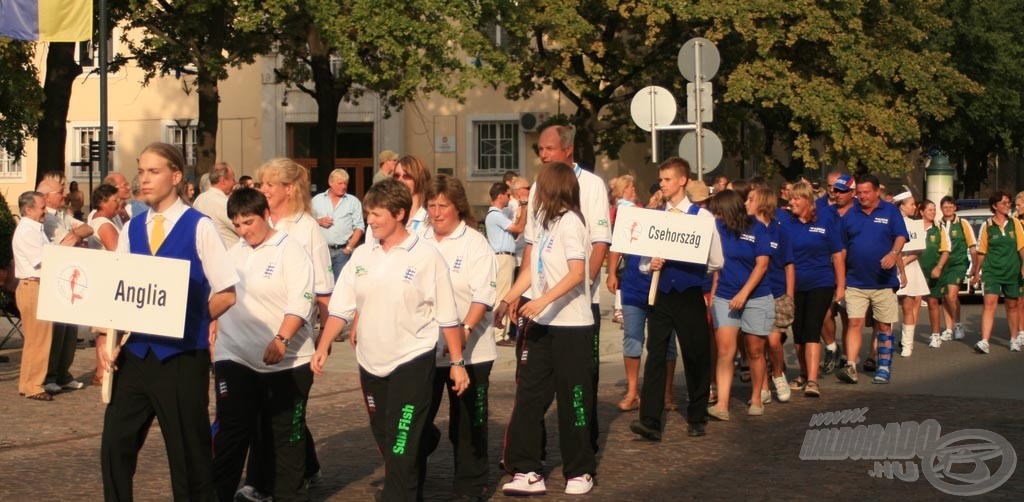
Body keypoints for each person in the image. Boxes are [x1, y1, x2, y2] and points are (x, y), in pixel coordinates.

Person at [311, 179, 469, 501]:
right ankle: (423, 436)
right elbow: (342, 306)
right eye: (368, 214)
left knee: (399, 445)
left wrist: (456, 363)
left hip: (412, 359)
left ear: (399, 213)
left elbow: (448, 316)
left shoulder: (426, 256)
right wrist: (324, 344)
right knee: (386, 435)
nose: (370, 220)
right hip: (371, 361)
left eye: (377, 214)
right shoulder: (362, 256)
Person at [100, 142, 239, 500]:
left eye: (153, 171)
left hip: (180, 357)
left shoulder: (200, 226)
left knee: (188, 455)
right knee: (115, 445)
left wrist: (190, 317)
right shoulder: (132, 229)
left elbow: (226, 292)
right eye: (141, 171)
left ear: (175, 177)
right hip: (136, 355)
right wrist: (106, 340)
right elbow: (118, 291)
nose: (143, 179)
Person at [494, 162, 596, 496]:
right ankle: (527, 469)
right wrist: (509, 298)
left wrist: (542, 301)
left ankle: (579, 470)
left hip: (572, 327)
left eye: (539, 186)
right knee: (529, 396)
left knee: (573, 399)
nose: (533, 193)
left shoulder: (571, 223)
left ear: (552, 189)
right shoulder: (544, 223)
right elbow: (532, 270)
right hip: (542, 325)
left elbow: (575, 273)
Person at [211, 188, 317, 502]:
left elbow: (302, 300)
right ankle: (218, 494)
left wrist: (282, 338)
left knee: (284, 434)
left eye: (249, 222)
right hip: (235, 355)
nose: (244, 231)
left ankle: (289, 494)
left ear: (265, 215)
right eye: (238, 225)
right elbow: (220, 293)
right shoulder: (235, 254)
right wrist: (211, 323)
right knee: (232, 429)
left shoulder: (291, 250)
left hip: (288, 360)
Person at [241, 158, 335, 500]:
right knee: (264, 413)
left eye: (269, 184)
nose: (262, 190)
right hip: (251, 336)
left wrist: (325, 338)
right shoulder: (258, 220)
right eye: (261, 184)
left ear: (289, 189)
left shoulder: (305, 228)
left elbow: (323, 287)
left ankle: (269, 484)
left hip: (292, 340)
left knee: (282, 416)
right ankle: (303, 468)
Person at [527, 124, 610, 452]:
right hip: (541, 302)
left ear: (568, 150)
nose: (544, 155)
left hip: (579, 302)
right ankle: (531, 448)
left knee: (582, 379)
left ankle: (583, 445)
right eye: (540, 150)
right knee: (535, 383)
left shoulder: (591, 185)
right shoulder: (538, 185)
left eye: (549, 149)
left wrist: (585, 286)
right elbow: (532, 244)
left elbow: (600, 240)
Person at [629, 157, 721, 439]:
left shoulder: (703, 218)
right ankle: (651, 421)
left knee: (695, 354)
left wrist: (691, 262)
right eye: (661, 180)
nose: (662, 184)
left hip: (689, 293)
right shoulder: (656, 216)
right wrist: (650, 264)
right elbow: (643, 259)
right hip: (661, 296)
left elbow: (716, 260)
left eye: (667, 179)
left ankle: (696, 415)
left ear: (683, 180)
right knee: (656, 354)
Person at [421, 175, 498, 499]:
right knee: (417, 420)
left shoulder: (474, 243)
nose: (436, 213)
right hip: (425, 349)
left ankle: (470, 483)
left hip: (470, 352)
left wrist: (464, 329)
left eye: (443, 206)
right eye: (431, 206)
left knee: (467, 423)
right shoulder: (420, 239)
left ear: (458, 207)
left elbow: (483, 295)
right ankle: (410, 481)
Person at [707, 189, 775, 419]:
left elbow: (762, 265)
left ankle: (757, 397)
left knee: (755, 350)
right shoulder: (718, 229)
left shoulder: (757, 228)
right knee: (725, 351)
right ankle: (722, 404)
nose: (717, 217)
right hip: (725, 296)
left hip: (756, 297)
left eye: (720, 212)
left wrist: (744, 294)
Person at [838, 174, 908, 384]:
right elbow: (841, 249)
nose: (862, 196)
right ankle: (851, 365)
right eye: (858, 193)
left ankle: (884, 366)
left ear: (877, 191)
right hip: (856, 281)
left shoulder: (890, 211)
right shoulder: (850, 215)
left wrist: (893, 253)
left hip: (883, 281)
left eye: (866, 192)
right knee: (854, 323)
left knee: (884, 326)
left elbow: (901, 236)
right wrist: (840, 282)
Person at [783, 182, 844, 398]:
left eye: (796, 199)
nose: (792, 203)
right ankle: (801, 372)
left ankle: (812, 379)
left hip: (821, 282)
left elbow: (837, 255)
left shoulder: (825, 221)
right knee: (798, 333)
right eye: (790, 199)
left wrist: (841, 286)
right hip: (794, 285)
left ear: (808, 200)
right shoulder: (786, 223)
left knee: (811, 328)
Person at [38, 175, 93, 394]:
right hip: (57, 276)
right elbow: (64, 243)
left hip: (71, 272)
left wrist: (74, 235)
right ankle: (51, 374)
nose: (65, 195)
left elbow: (87, 229)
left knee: (70, 330)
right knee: (57, 331)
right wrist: (74, 237)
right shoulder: (47, 219)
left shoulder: (64, 214)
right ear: (47, 197)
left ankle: (64, 373)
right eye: (60, 192)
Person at [12, 191, 54, 401]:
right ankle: (34, 385)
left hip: (34, 286)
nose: (45, 211)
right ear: (29, 210)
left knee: (35, 339)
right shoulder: (28, 231)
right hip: (33, 286)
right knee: (39, 339)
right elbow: (43, 260)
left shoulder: (34, 229)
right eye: (42, 208)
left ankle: (28, 383)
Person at [971, 191, 1024, 354]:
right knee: (989, 304)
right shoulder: (987, 226)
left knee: (1012, 305)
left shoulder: (1015, 224)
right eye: (1004, 203)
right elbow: (982, 251)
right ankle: (985, 341)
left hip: (1012, 271)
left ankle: (1014, 339)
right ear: (995, 206)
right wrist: (976, 273)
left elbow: (1021, 247)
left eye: (1009, 203)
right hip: (992, 271)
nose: (1008, 205)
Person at [87, 184, 123, 386]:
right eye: (114, 200)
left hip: (104, 279)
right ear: (102, 202)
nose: (118, 204)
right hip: (107, 280)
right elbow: (117, 251)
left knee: (107, 328)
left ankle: (103, 370)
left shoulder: (102, 220)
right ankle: (101, 372)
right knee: (105, 328)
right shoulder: (104, 224)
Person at [485, 181, 525, 345]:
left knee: (506, 292)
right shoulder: (495, 214)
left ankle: (503, 332)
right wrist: (524, 208)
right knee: (503, 294)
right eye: (508, 195)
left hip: (506, 256)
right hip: (502, 257)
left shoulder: (499, 215)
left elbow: (513, 235)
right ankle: (498, 334)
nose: (509, 198)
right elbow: (518, 229)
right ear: (500, 195)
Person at [891, 191, 930, 359]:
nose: (915, 207)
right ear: (901, 205)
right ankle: (887, 342)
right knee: (888, 307)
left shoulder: (915, 224)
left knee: (908, 305)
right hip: (891, 267)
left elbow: (919, 248)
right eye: (911, 204)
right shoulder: (890, 223)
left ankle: (907, 343)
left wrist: (905, 262)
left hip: (910, 267)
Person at [312, 168, 365, 281]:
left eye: (345, 183)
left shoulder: (353, 202)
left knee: (340, 286)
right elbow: (307, 223)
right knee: (321, 285)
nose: (343, 186)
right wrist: (319, 221)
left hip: (342, 252)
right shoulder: (316, 200)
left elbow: (359, 226)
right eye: (340, 183)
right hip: (321, 251)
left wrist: (349, 248)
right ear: (330, 183)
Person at [937, 196, 976, 341]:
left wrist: (974, 268)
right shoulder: (938, 224)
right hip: (942, 265)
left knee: (951, 295)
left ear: (955, 208)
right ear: (941, 208)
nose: (948, 209)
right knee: (944, 297)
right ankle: (948, 328)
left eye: (950, 206)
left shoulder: (963, 223)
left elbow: (972, 246)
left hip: (958, 264)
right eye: (945, 207)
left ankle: (958, 324)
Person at [918, 199, 950, 351]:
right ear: (921, 211)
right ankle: (907, 336)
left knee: (933, 302)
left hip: (933, 270)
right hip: (916, 270)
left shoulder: (939, 228)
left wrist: (939, 267)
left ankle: (935, 335)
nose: (933, 212)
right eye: (930, 209)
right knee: (912, 304)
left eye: (934, 209)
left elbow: (946, 250)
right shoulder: (915, 227)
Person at [191, 162, 237, 248]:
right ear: (223, 181)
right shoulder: (223, 202)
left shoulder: (199, 199)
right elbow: (241, 227)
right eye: (233, 179)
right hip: (228, 254)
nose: (234, 184)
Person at [392, 155, 432, 234]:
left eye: (406, 176)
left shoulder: (431, 216)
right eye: (396, 176)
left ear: (419, 178)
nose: (400, 180)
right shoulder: (389, 214)